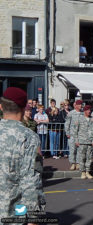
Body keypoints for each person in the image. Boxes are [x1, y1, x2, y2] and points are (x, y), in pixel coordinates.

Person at [0, 87, 44, 224]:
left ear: (1, 107)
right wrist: (33, 218)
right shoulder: (29, 138)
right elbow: (31, 182)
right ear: (23, 108)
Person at [74, 105, 93, 179]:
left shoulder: (92, 119)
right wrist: (76, 140)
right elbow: (75, 131)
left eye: (90, 110)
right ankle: (82, 172)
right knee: (82, 157)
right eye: (88, 110)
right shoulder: (79, 119)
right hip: (82, 141)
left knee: (89, 158)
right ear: (85, 111)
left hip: (89, 142)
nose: (89, 111)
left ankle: (87, 172)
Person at [65, 99, 83, 170]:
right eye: (79, 104)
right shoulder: (71, 113)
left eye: (81, 104)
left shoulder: (82, 113)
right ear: (76, 105)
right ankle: (73, 163)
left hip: (80, 135)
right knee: (72, 150)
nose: (81, 106)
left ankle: (78, 163)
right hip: (72, 134)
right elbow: (67, 123)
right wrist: (67, 132)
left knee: (79, 150)